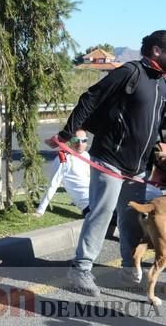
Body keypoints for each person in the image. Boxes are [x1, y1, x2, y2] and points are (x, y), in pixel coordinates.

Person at [46, 30, 166, 297]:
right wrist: (66, 135)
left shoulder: (162, 84)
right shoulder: (130, 72)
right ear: (157, 50)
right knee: (102, 213)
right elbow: (91, 97)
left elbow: (161, 125)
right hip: (109, 158)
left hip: (138, 168)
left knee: (130, 220)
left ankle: (128, 269)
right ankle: (80, 269)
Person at [34, 129, 90, 217]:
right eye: (75, 140)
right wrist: (40, 211)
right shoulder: (63, 159)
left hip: (99, 198)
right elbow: (52, 186)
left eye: (84, 140)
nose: (80, 144)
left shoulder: (86, 155)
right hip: (90, 206)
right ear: (69, 141)